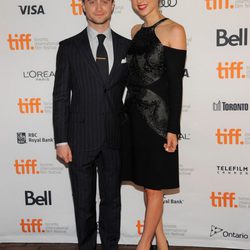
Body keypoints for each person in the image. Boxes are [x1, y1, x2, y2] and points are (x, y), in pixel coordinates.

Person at [52, 0, 130, 249]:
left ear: (113, 6)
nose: (99, 7)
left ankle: (110, 246)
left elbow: (136, 95)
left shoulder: (127, 47)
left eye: (104, 1)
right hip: (79, 138)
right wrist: (61, 140)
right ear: (83, 7)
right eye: (92, 2)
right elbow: (61, 96)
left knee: (112, 201)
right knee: (83, 202)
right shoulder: (69, 47)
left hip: (113, 137)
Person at [121, 0, 187, 249]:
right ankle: (162, 241)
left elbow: (176, 85)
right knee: (149, 186)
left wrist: (173, 128)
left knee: (154, 188)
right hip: (133, 117)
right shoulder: (135, 31)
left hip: (158, 120)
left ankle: (143, 244)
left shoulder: (175, 30)